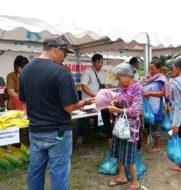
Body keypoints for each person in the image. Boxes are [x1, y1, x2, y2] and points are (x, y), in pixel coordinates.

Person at [19, 35, 94, 190]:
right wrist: (85, 102)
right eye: (64, 54)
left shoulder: (26, 70)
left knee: (35, 170)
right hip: (58, 131)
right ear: (57, 50)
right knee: (58, 172)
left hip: (35, 130)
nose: (64, 58)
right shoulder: (61, 72)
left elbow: (24, 99)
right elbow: (70, 107)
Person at [107, 63, 142, 190]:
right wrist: (115, 102)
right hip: (120, 124)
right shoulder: (123, 86)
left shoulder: (137, 88)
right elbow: (121, 101)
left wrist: (117, 109)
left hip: (130, 127)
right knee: (118, 151)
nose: (118, 81)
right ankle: (122, 177)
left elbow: (136, 111)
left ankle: (134, 181)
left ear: (128, 76)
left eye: (119, 78)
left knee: (128, 154)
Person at [78, 54, 112, 144]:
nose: (101, 64)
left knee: (103, 113)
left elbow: (107, 84)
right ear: (93, 62)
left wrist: (105, 92)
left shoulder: (103, 72)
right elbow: (83, 86)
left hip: (100, 100)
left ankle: (98, 131)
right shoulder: (87, 72)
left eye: (102, 62)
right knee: (82, 118)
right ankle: (80, 135)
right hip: (88, 101)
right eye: (99, 62)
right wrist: (94, 95)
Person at [142, 60, 168, 153]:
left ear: (158, 69)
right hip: (146, 105)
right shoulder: (148, 78)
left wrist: (150, 93)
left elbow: (163, 93)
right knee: (145, 123)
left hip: (156, 106)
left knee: (155, 125)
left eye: (153, 69)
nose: (151, 71)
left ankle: (157, 146)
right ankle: (144, 142)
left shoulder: (161, 79)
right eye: (150, 69)